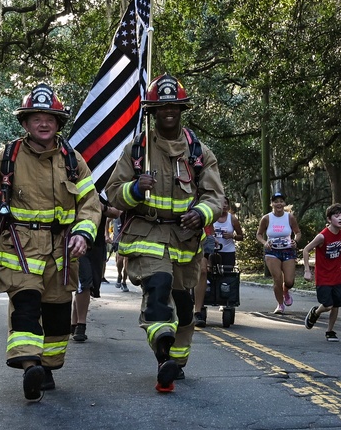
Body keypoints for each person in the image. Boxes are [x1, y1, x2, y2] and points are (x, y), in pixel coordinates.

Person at [0, 83, 102, 401]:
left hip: (61, 252)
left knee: (56, 318)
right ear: (25, 123)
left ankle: (47, 367)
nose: (43, 123)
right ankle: (29, 367)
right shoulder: (8, 157)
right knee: (25, 307)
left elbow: (90, 203)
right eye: (36, 117)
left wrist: (84, 233)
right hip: (20, 249)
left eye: (50, 118)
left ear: (58, 123)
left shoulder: (72, 160)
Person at [106, 73, 225, 393]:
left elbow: (215, 197)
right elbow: (113, 193)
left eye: (174, 106)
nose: (168, 111)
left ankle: (177, 359)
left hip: (185, 242)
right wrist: (134, 188)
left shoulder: (200, 152)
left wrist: (200, 215)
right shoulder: (136, 150)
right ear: (153, 111)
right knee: (157, 287)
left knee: (184, 306)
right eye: (162, 106)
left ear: (181, 109)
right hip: (146, 234)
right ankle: (162, 353)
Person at [302, 204, 341, 341]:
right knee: (328, 305)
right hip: (323, 276)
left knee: (336, 305)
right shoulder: (322, 236)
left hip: (337, 275)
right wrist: (307, 270)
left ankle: (330, 331)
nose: (340, 218)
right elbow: (306, 249)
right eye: (336, 216)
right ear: (329, 219)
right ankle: (315, 312)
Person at [71, 197, 121, 341]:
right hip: (77, 240)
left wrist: (101, 207)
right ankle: (81, 324)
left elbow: (116, 212)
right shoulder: (74, 179)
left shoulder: (103, 188)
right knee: (84, 282)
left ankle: (74, 323)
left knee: (90, 283)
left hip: (97, 243)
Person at [194, 198, 241, 327]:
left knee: (204, 271)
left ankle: (197, 311)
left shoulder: (230, 217)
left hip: (208, 242)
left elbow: (208, 222)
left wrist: (212, 237)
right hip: (187, 236)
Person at [256, 191, 302, 314]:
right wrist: (265, 242)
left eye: (281, 201)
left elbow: (298, 232)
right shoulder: (266, 218)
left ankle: (286, 290)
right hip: (272, 252)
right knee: (277, 278)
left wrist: (295, 241)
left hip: (287, 250)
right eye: (276, 202)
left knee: (289, 281)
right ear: (272, 204)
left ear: (284, 203)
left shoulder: (289, 217)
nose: (279, 204)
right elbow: (259, 234)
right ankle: (280, 304)